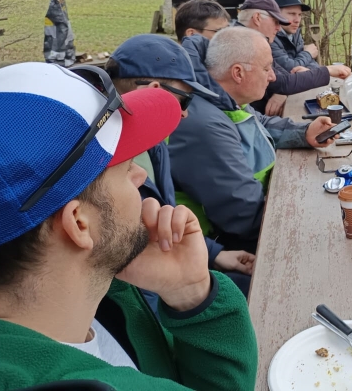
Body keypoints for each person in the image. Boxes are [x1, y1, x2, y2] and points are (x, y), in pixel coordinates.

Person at [0, 62, 257, 389]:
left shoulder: (99, 304)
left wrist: (189, 293)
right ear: (79, 223)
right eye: (126, 166)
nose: (140, 175)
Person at [105, 35, 255, 297]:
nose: (185, 113)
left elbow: (163, 220)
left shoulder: (154, 144)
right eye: (185, 100)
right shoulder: (103, 167)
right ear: (152, 92)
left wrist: (216, 254)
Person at [169, 26, 339, 253]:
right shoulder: (206, 126)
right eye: (267, 68)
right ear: (238, 73)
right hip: (225, 244)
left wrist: (304, 132)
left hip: (259, 211)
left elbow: (259, 122)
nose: (273, 76)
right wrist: (309, 221)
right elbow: (243, 213)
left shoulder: (222, 99)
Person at [236, 0, 350, 116]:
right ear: (257, 18)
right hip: (254, 116)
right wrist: (327, 70)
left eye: (299, 15)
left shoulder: (249, 39)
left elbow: (285, 78)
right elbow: (284, 82)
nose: (278, 27)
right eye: (275, 22)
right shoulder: (244, 44)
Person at [271, 0, 321, 71]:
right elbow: (291, 68)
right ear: (276, 14)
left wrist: (308, 70)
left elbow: (314, 66)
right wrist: (308, 54)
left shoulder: (295, 34)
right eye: (292, 14)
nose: (297, 20)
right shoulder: (271, 38)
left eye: (299, 14)